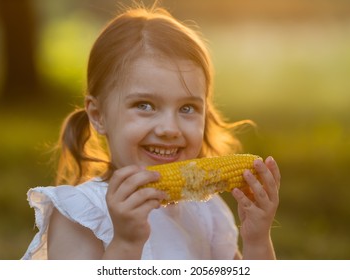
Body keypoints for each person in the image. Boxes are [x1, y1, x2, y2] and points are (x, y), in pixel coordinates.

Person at [22, 4, 281, 260]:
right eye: (144, 105)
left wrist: (257, 240)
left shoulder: (207, 213)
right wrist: (126, 243)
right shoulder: (81, 214)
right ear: (98, 116)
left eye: (188, 108)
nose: (169, 129)